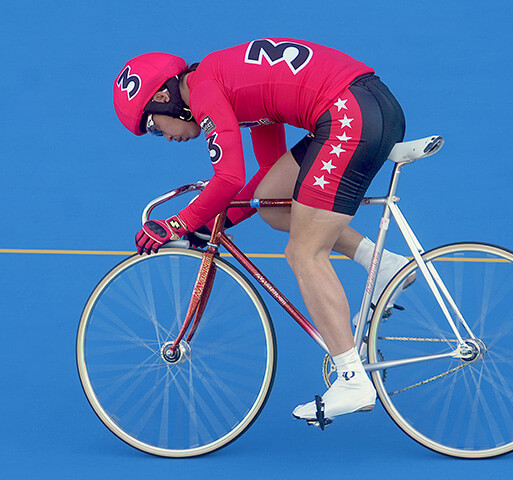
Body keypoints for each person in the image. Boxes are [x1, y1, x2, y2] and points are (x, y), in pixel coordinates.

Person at [113, 38, 409, 424]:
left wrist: (177, 223)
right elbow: (269, 176)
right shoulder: (228, 83)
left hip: (347, 114)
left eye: (153, 127)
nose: (166, 138)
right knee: (276, 202)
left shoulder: (203, 90)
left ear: (165, 97)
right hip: (365, 104)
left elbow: (229, 176)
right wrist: (209, 225)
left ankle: (352, 379)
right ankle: (383, 265)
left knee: (303, 253)